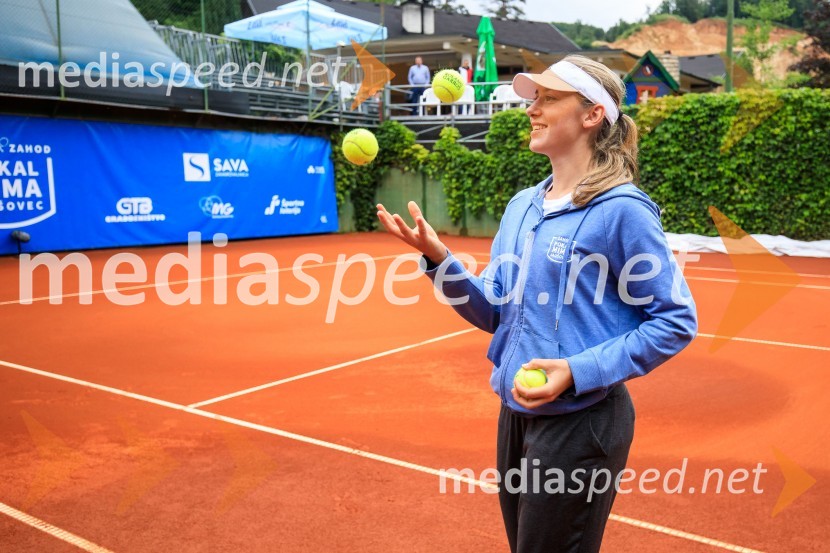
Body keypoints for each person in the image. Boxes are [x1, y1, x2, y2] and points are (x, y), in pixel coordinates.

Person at [377, 54, 697, 553]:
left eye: (549, 98)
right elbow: (495, 312)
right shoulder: (522, 206)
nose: (532, 108)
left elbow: (675, 320)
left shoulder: (622, 211)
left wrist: (576, 370)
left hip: (582, 421)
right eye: (533, 98)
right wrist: (439, 260)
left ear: (592, 115)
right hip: (517, 413)